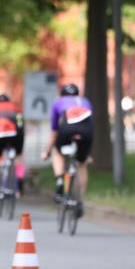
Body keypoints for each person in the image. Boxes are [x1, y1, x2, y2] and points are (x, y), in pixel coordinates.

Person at [43, 83, 93, 212]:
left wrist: (47, 151)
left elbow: (54, 132)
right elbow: (90, 123)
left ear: (62, 94)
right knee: (82, 164)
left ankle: (60, 180)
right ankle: (80, 200)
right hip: (86, 132)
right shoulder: (85, 101)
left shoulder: (59, 102)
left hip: (67, 129)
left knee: (58, 152)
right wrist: (87, 153)